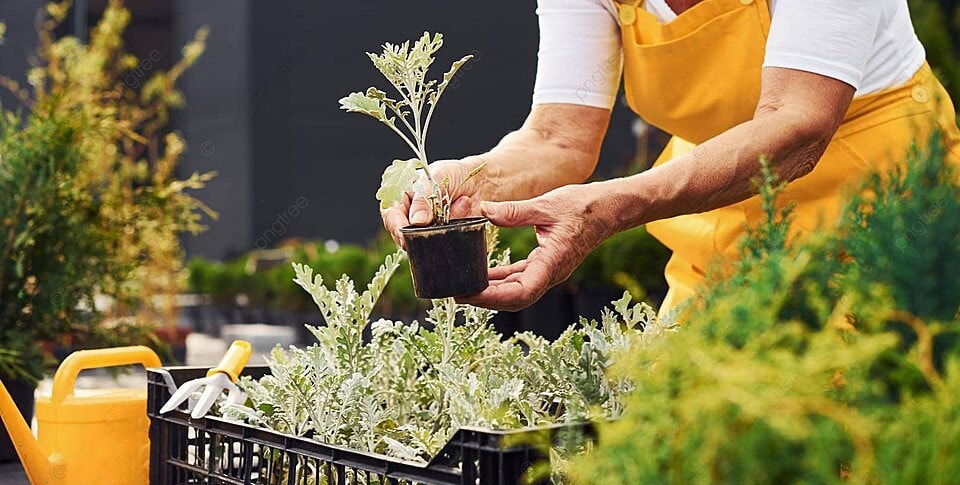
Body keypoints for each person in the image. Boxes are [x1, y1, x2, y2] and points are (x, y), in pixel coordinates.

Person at [381, 0, 960, 316]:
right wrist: (462, 183)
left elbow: (796, 127)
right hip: (717, 191)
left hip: (877, 195)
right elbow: (558, 139)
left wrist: (614, 205)